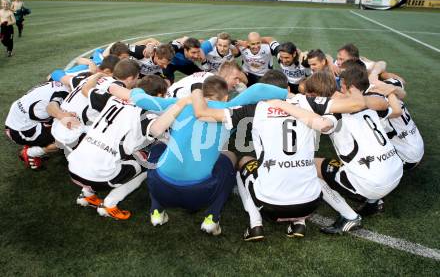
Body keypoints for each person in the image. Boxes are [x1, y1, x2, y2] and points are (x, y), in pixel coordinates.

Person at [192, 70, 370, 241]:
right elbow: (358, 104)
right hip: (310, 204)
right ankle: (300, 223)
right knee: (309, 171)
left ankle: (255, 225)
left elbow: (202, 114)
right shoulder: (308, 102)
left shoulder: (253, 108)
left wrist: (196, 87)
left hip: (271, 206)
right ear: (288, 90)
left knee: (244, 162)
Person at [125, 77, 289, 235]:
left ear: (201, 95)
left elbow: (141, 100)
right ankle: (212, 217)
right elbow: (258, 89)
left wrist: (135, 88)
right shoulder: (229, 108)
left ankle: (156, 211)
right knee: (228, 160)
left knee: (159, 148)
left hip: (161, 188)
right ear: (225, 97)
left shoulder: (178, 104)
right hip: (200, 195)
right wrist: (287, 94)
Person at [68, 80, 190, 220]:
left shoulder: (111, 99)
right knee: (149, 162)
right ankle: (109, 205)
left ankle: (87, 195)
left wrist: (103, 79)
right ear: (158, 95)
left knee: (109, 153)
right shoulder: (147, 112)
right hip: (99, 177)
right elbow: (158, 131)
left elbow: (86, 89)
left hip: (73, 167)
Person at [314, 65, 403, 234]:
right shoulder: (372, 104)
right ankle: (374, 203)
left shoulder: (335, 112)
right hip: (396, 172)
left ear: (348, 87)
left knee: (310, 166)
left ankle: (349, 217)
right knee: (363, 159)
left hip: (373, 183)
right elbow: (394, 109)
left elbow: (324, 124)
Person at [4, 80, 74, 169]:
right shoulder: (62, 94)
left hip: (18, 120)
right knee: (68, 137)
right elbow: (48, 109)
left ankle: (35, 141)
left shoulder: (61, 81)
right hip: (19, 131)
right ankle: (30, 152)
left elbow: (52, 75)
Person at [166, 61, 247, 98]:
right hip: (169, 108)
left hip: (171, 103)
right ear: (226, 75)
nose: (238, 83)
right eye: (236, 78)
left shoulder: (211, 78)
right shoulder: (212, 84)